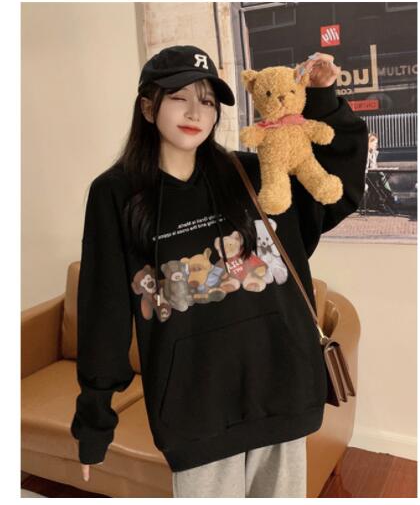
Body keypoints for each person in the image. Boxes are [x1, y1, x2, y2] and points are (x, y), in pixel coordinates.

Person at [70, 44, 369, 497]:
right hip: (196, 410)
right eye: (179, 97)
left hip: (281, 385)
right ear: (148, 107)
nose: (196, 112)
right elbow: (104, 308)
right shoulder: (116, 194)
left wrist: (324, 100)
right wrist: (95, 420)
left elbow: (335, 190)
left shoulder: (252, 174)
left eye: (208, 101)